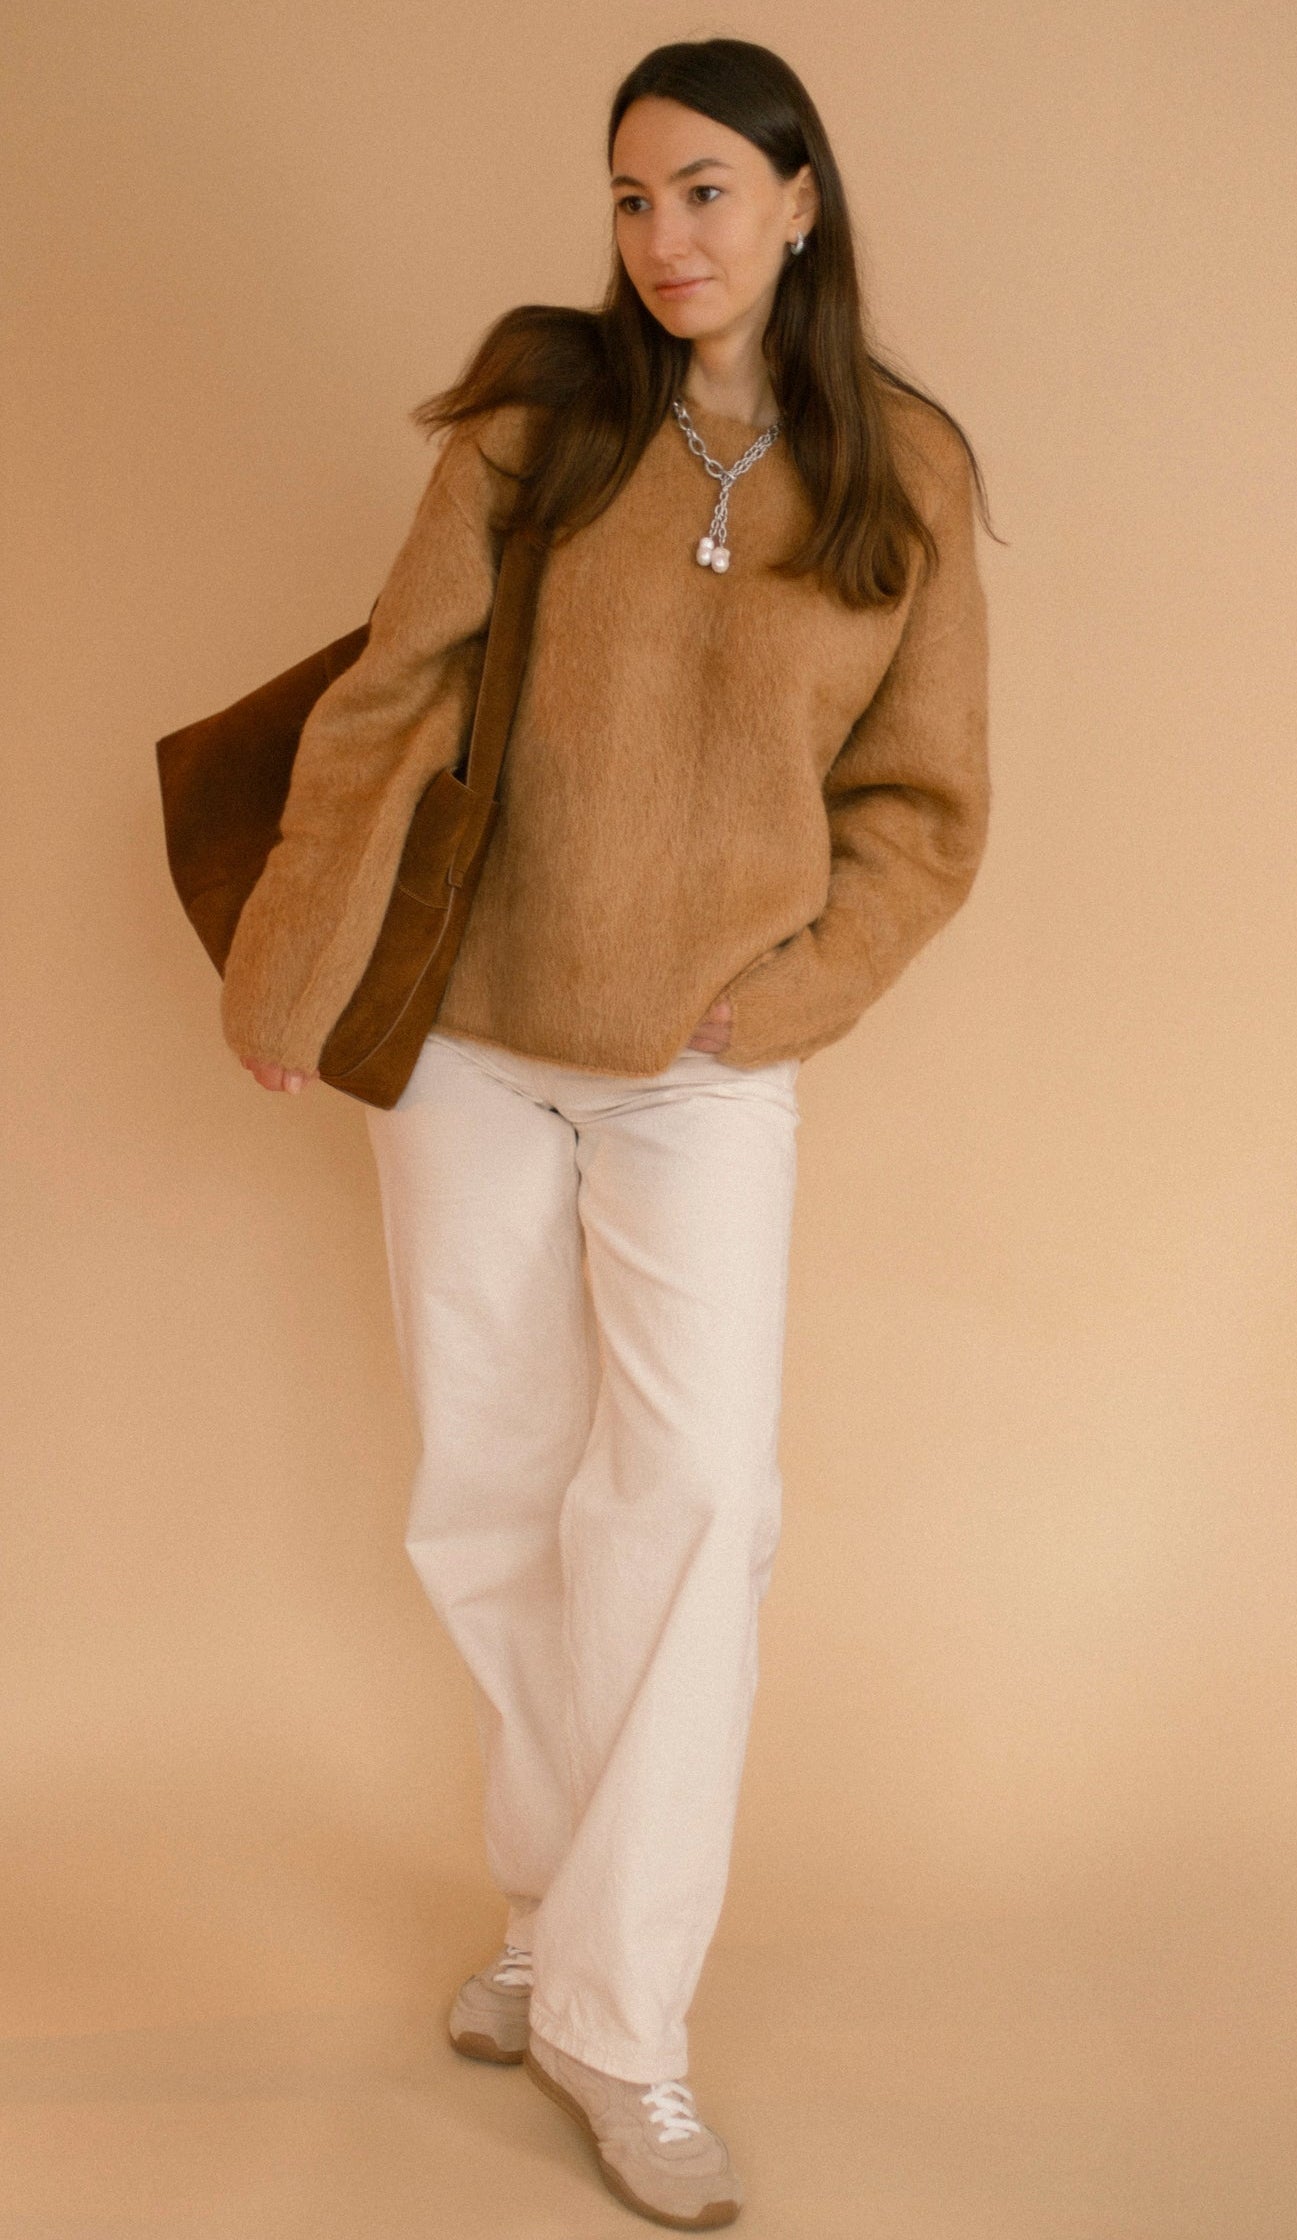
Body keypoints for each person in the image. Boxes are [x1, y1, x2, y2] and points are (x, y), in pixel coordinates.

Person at [218, 35, 992, 2232]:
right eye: (633, 198)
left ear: (800, 203)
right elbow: (387, 693)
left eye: (708, 196)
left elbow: (927, 814)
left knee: (694, 1504)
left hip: (699, 1065)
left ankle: (616, 2030)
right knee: (491, 1487)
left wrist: (787, 996)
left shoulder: (901, 470)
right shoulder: (537, 422)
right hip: (464, 1035)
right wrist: (289, 971)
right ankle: (556, 1923)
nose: (663, 241)